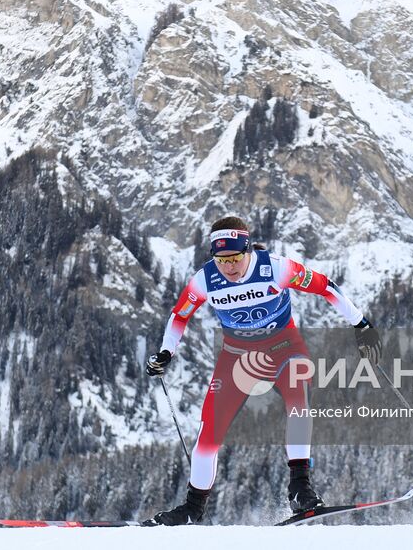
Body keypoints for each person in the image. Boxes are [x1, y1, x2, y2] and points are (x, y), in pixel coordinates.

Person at [143, 216, 381, 525]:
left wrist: (362, 325)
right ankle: (192, 508)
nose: (228, 266)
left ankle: (300, 489)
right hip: (237, 356)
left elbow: (326, 287)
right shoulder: (204, 280)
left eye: (235, 258)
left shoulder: (277, 268)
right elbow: (179, 316)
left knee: (299, 403)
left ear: (248, 250)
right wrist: (166, 352)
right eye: (221, 260)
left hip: (284, 346)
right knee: (209, 433)